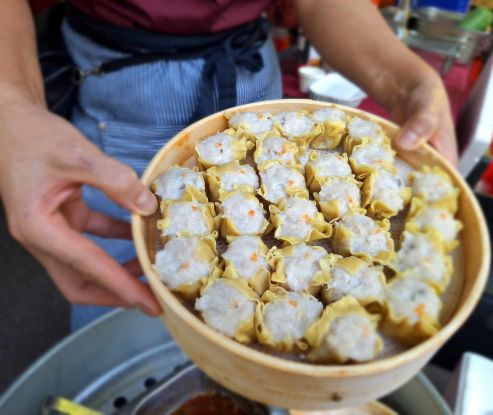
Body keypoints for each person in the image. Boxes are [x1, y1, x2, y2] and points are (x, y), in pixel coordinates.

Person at [0, 0, 457, 330]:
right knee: (119, 309)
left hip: (254, 88)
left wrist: (406, 80)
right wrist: (11, 110)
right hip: (122, 93)